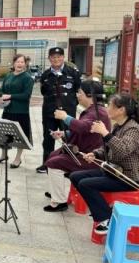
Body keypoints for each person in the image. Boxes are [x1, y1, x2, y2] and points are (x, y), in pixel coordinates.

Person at [70, 93, 139, 234]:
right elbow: (107, 147)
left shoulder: (134, 129)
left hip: (130, 177)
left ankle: (106, 219)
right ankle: (102, 210)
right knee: (75, 176)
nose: (107, 108)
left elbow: (122, 150)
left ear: (121, 110)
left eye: (111, 106)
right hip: (115, 171)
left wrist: (105, 133)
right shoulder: (119, 126)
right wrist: (95, 154)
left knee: (85, 184)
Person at [43, 80, 111, 212]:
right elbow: (84, 131)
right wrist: (64, 133)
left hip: (91, 157)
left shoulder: (99, 113)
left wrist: (65, 117)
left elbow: (83, 127)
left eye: (80, 92)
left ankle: (60, 202)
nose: (77, 95)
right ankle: (55, 192)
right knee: (53, 155)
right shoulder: (94, 111)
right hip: (83, 152)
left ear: (90, 95)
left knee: (53, 163)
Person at [37, 47, 81, 173]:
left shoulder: (73, 72)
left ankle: (69, 165)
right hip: (49, 112)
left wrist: (71, 104)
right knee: (48, 137)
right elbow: (44, 92)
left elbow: (78, 89)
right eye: (53, 57)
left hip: (67, 112)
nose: (56, 59)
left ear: (63, 57)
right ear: (49, 58)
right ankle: (46, 164)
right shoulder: (45, 74)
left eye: (59, 56)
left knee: (69, 137)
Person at [0, 54, 34, 168]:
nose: (19, 64)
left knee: (20, 135)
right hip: (8, 109)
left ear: (25, 64)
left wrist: (10, 96)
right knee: (4, 133)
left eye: (22, 62)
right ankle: (3, 155)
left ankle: (18, 158)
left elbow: (26, 95)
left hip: (21, 111)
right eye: (17, 62)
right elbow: (1, 90)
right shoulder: (9, 76)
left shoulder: (27, 78)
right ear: (14, 63)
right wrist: (2, 95)